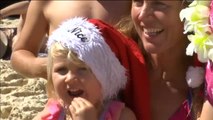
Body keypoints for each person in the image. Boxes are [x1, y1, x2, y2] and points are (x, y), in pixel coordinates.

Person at [118, 0, 213, 119]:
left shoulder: (207, 79)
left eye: (159, 3)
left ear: (188, 9)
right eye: (138, 2)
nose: (142, 14)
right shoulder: (113, 63)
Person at [33, 17, 138, 120]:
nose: (69, 78)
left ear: (104, 78)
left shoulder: (121, 115)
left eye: (82, 69)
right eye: (61, 70)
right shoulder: (51, 114)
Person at [10, 1, 131, 79]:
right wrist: (47, 65)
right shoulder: (48, 2)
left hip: (123, 105)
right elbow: (20, 52)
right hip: (67, 101)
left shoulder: (133, 4)